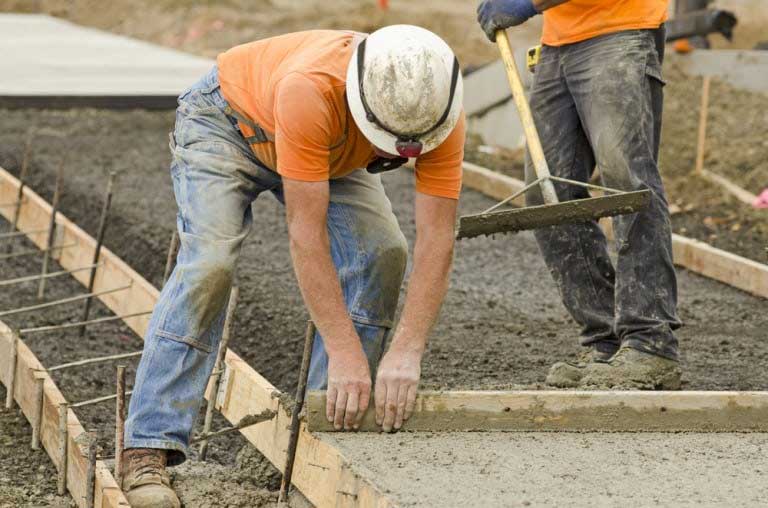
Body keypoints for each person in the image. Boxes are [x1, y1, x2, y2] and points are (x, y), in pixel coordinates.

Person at [121, 25, 465, 508]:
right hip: (230, 123)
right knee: (210, 263)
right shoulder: (312, 88)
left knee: (383, 252)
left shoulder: (437, 110)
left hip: (330, 147)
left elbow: (436, 238)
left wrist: (408, 350)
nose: (392, 156)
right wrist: (345, 349)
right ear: (364, 107)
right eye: (385, 143)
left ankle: (327, 426)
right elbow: (307, 233)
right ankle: (148, 444)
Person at [477, 0, 682, 390]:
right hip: (558, 43)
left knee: (628, 184)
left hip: (621, 31)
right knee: (548, 194)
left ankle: (649, 342)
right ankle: (604, 340)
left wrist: (525, 2)